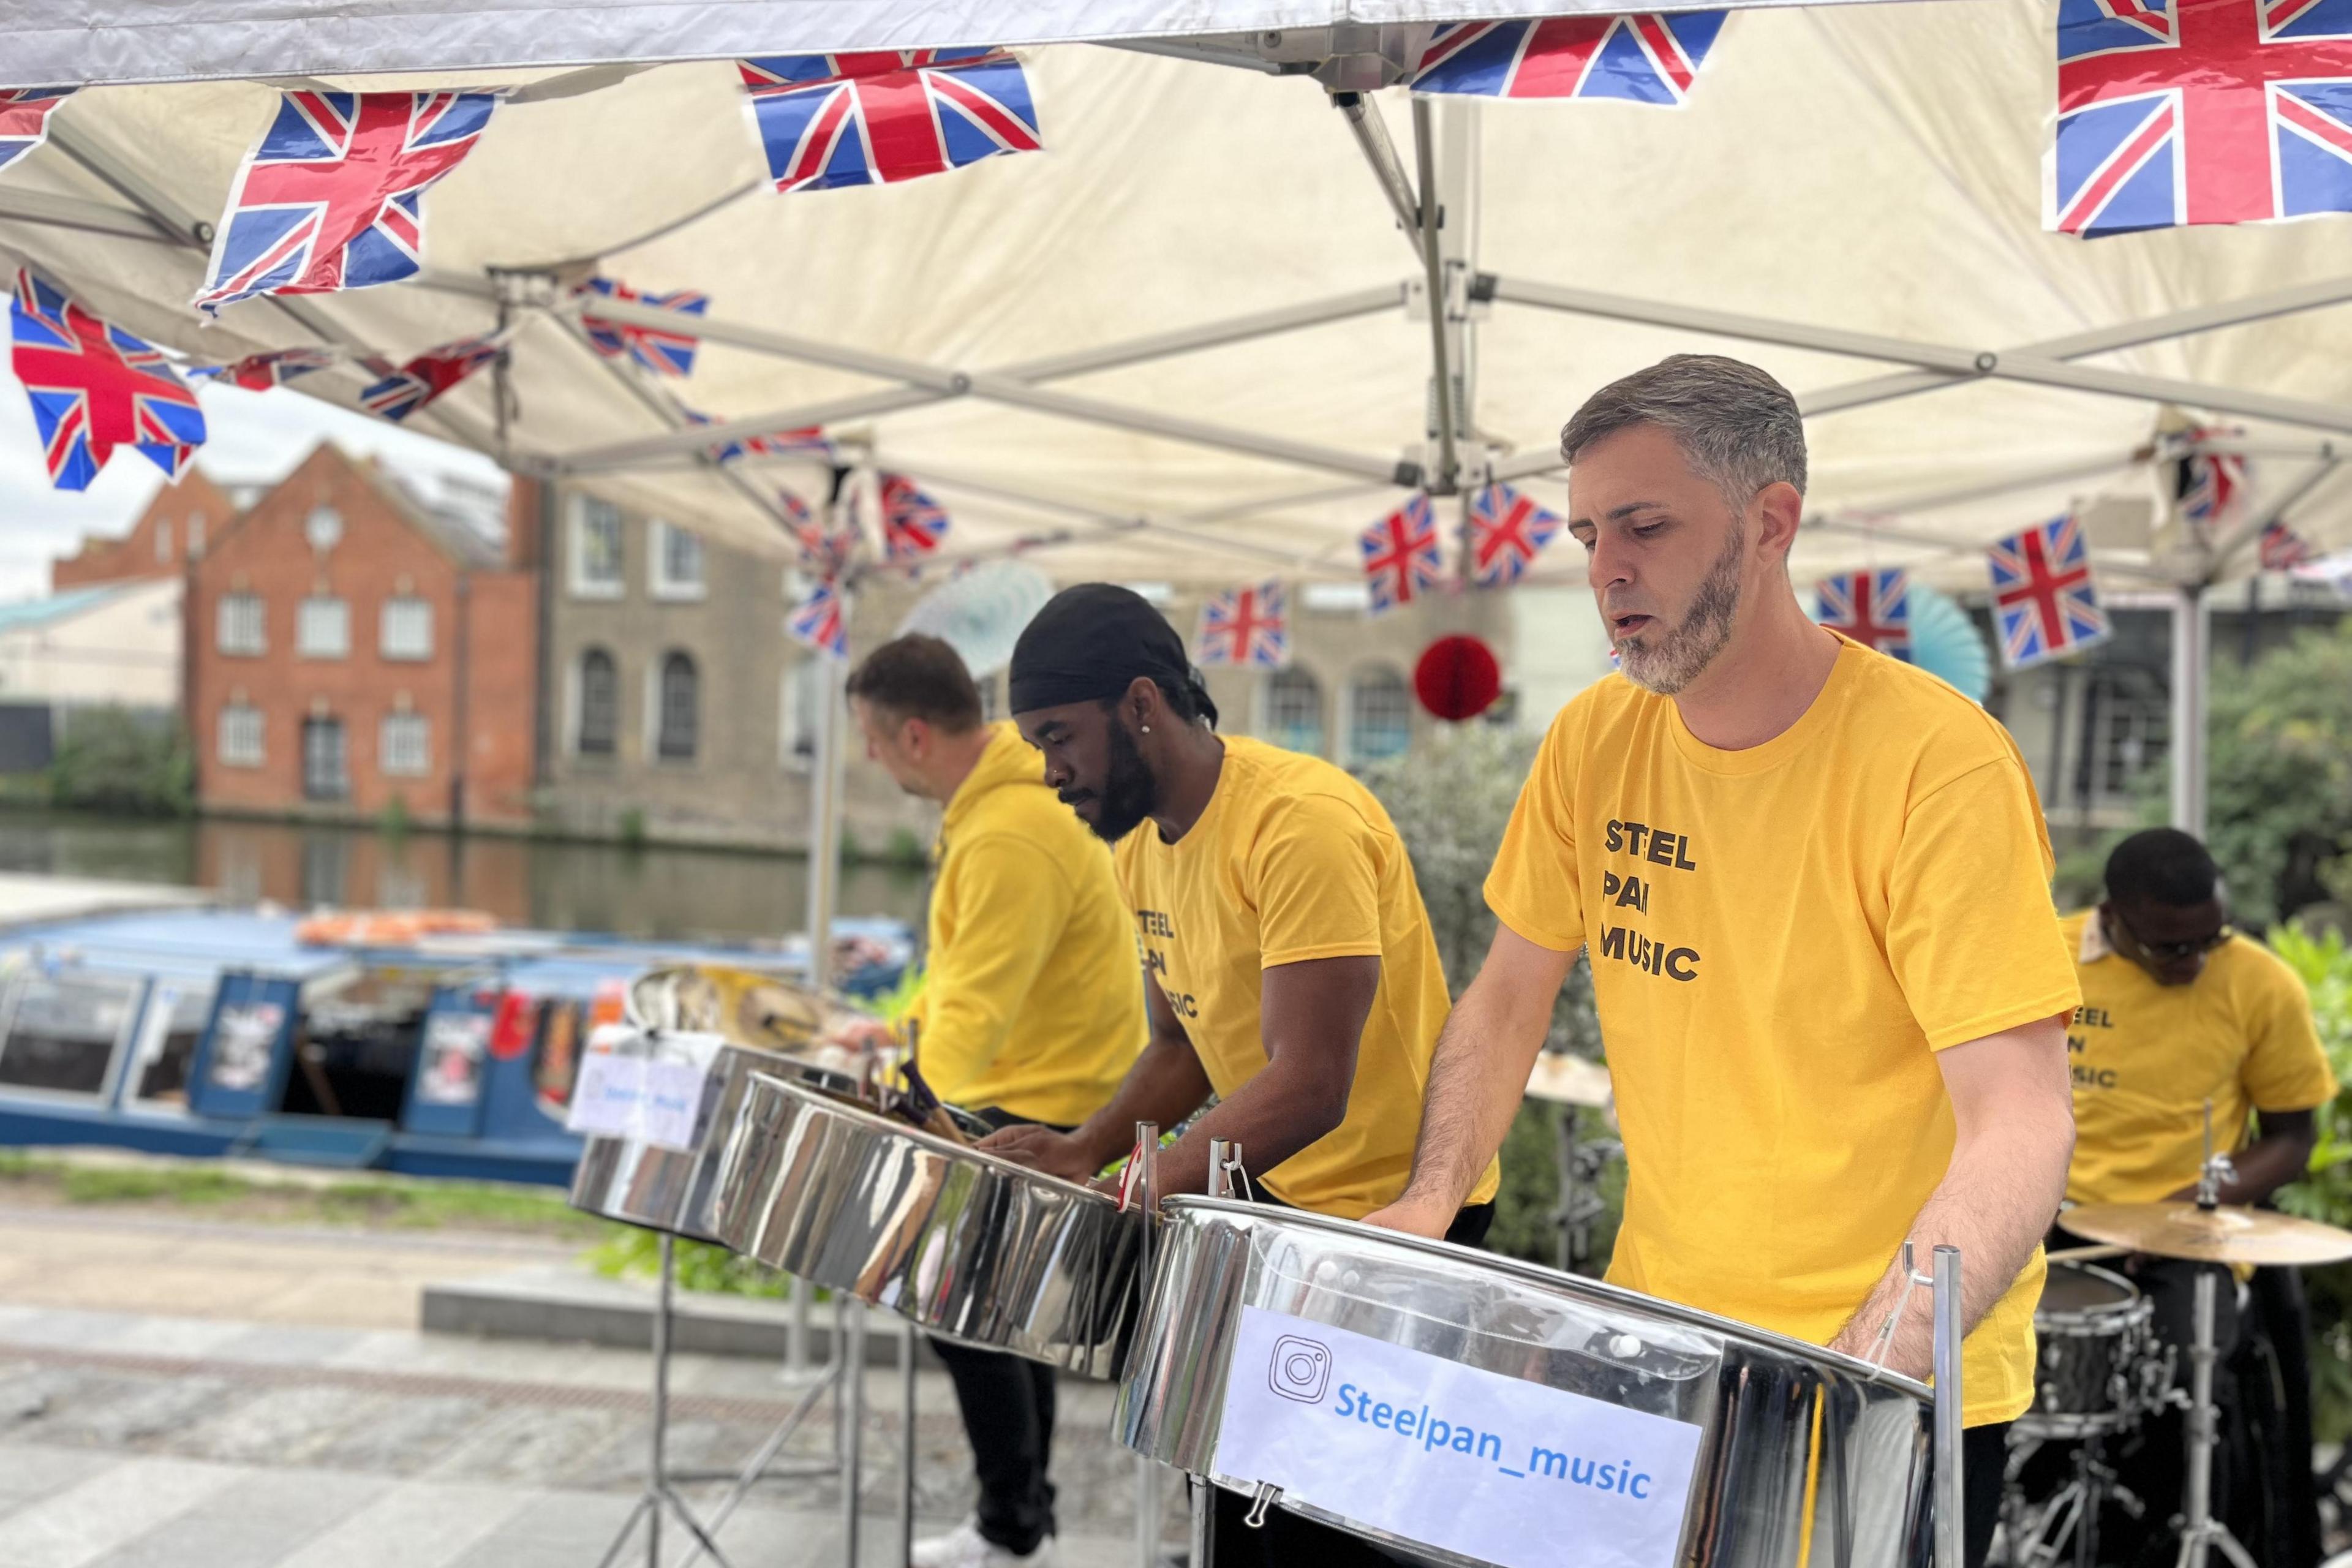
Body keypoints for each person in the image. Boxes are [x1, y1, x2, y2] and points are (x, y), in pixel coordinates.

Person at [1363, 353, 2081, 1568]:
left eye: (1644, 524)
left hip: (1884, 1375)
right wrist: (1440, 1194)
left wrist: (1856, 1373)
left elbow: (2022, 1119)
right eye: (1589, 532)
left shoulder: (1937, 765)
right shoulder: (1596, 736)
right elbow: (1508, 989)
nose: (1605, 570)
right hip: (1665, 1337)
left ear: (1770, 523)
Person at [982, 582, 1501, 1567]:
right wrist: (1086, 1147)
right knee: (1234, 1513)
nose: (1050, 774)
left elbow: (1311, 1084)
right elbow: (1182, 1048)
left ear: (1140, 704)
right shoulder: (1142, 846)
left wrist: (1139, 1186)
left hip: (1400, 1220)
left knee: (1325, 1533)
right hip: (1280, 1207)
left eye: (1059, 738)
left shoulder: (1298, 824)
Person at [844, 635, 1147, 1568]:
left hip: (1034, 1106)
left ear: (917, 734)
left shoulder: (1011, 831)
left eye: (873, 739)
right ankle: (1023, 1520)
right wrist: (888, 1036)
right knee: (1000, 1326)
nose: (869, 758)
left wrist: (906, 1096)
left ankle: (1013, 1530)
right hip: (1031, 1091)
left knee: (964, 1319)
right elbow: (958, 975)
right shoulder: (996, 814)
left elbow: (979, 1006)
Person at [2057, 827, 2336, 1566]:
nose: (2197, 961)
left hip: (2181, 1235)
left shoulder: (2260, 983)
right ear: (2113, 917)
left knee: (2182, 1382)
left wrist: (2178, 1211)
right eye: (2173, 948)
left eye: (2213, 938)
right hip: (2048, 1225)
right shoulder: (2043, 955)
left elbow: (2291, 1137)